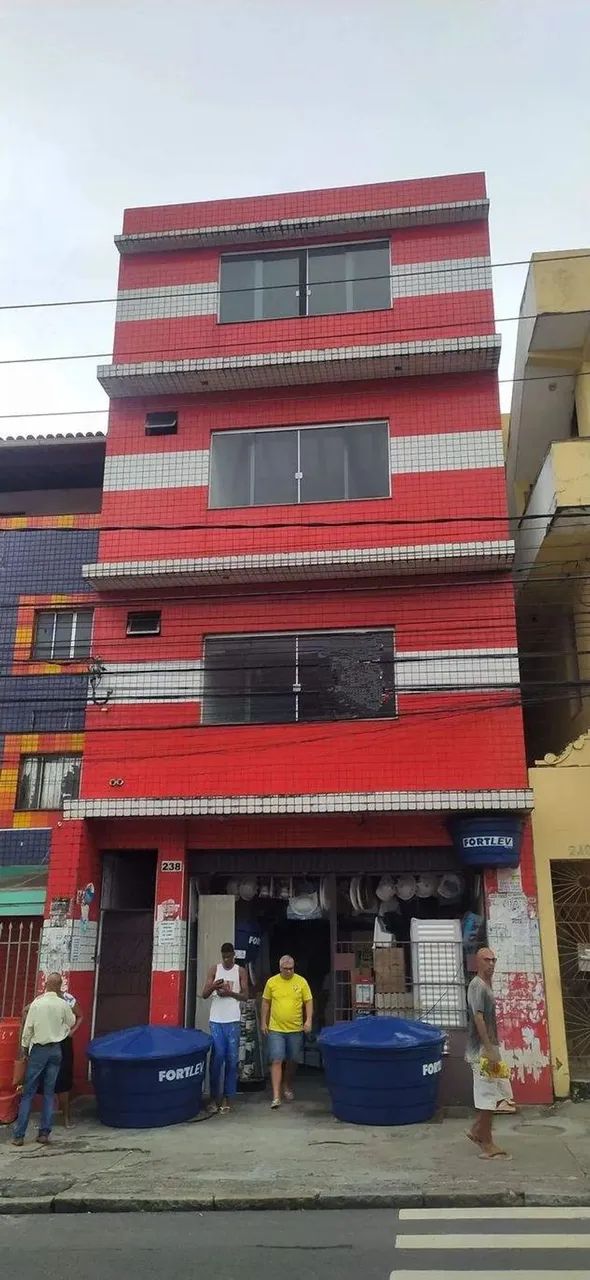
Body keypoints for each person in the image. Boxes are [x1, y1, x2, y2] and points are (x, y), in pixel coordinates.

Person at [12, 972, 76, 1147]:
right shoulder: (63, 1004)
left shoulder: (37, 1004)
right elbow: (71, 1022)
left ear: (46, 984)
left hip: (39, 1049)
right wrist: (60, 1030)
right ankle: (44, 1133)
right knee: (49, 1092)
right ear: (59, 985)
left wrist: (24, 1049)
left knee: (28, 1093)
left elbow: (28, 1029)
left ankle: (19, 1135)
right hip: (56, 1049)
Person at [466, 946, 515, 1160]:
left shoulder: (487, 985)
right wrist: (488, 1049)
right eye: (487, 960)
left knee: (501, 1095)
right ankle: (486, 1143)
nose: (492, 964)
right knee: (488, 1096)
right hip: (482, 1051)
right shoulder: (477, 986)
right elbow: (478, 1018)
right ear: (478, 962)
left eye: (494, 960)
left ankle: (478, 1130)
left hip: (491, 1048)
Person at [261, 955, 313, 1109]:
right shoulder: (272, 982)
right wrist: (263, 1022)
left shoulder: (301, 982)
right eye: (286, 969)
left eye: (291, 968)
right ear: (280, 968)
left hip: (295, 1028)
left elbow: (308, 1001)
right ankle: (276, 1096)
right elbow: (265, 1002)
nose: (289, 971)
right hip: (276, 1028)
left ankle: (287, 1084)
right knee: (276, 1059)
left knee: (293, 1060)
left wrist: (308, 1020)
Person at [202, 942, 248, 1114]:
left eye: (230, 957)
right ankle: (214, 1096)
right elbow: (205, 994)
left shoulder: (240, 971)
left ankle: (228, 1097)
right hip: (216, 1019)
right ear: (222, 956)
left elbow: (245, 995)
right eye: (224, 957)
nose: (227, 960)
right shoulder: (215, 969)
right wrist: (215, 986)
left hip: (233, 1019)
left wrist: (230, 993)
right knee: (218, 1056)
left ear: (234, 955)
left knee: (232, 1058)